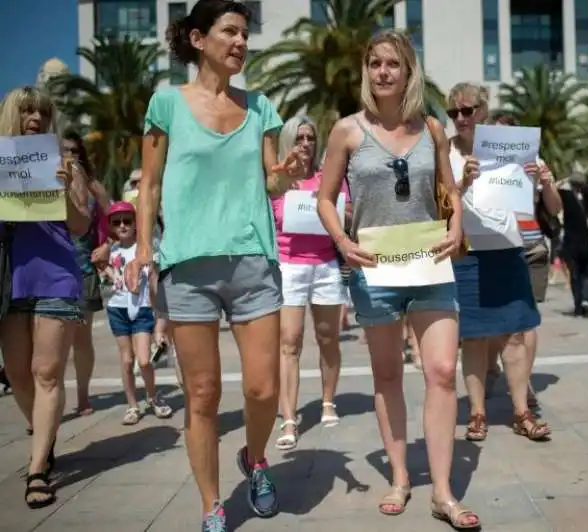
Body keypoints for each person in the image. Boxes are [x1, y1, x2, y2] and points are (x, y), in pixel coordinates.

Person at [125, 2, 304, 530]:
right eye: (230, 32)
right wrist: (142, 249)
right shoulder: (166, 105)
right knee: (202, 394)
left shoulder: (261, 108)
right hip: (187, 264)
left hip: (253, 262)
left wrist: (287, 175)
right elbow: (150, 186)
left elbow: (270, 181)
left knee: (263, 389)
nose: (240, 42)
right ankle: (211, 505)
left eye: (245, 34)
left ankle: (254, 458)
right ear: (199, 39)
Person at [316, 30, 480, 529]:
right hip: (374, 270)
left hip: (430, 263)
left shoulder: (431, 128)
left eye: (392, 64)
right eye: (374, 63)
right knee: (387, 375)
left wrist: (456, 228)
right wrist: (343, 244)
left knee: (442, 372)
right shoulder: (346, 131)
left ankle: (444, 492)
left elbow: (448, 191)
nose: (382, 72)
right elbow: (324, 199)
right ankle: (401, 478)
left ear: (409, 72)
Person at [447, 85, 557, 445]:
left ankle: (521, 411)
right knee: (474, 338)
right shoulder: (443, 154)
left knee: (514, 334)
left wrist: (544, 181)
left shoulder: (512, 148)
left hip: (508, 249)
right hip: (467, 253)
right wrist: (461, 184)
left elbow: (553, 208)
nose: (461, 118)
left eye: (468, 110)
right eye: (454, 113)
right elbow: (437, 209)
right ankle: (477, 413)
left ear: (483, 110)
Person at [0, 86, 92, 509]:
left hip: (55, 274)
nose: (35, 118)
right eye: (27, 111)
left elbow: (79, 226)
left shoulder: (65, 162)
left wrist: (62, 190)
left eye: (42, 112)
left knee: (46, 372)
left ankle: (38, 469)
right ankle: (46, 434)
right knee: (17, 373)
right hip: (10, 280)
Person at [270, 116, 347, 451]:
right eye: (299, 137)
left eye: (310, 137)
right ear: (289, 141)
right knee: (289, 342)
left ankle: (328, 401)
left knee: (328, 338)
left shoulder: (328, 177)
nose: (305, 143)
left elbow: (344, 212)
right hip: (289, 267)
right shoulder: (277, 180)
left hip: (326, 266)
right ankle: (289, 418)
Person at [100, 201, 173, 424]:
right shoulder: (109, 250)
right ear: (111, 226)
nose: (122, 225)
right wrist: (108, 271)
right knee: (125, 361)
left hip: (142, 308)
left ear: (136, 224)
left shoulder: (144, 248)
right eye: (116, 222)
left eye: (127, 221)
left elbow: (154, 281)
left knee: (143, 361)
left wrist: (159, 316)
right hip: (117, 308)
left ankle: (153, 398)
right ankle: (132, 406)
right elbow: (105, 272)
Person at [62, 129, 111, 416]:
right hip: (48, 267)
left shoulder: (93, 186)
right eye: (64, 150)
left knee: (81, 339)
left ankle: (82, 396)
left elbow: (117, 216)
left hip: (83, 268)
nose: (70, 156)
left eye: (75, 151)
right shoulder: (45, 182)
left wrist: (106, 246)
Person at [558, 172, 588, 317]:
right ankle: (583, 302)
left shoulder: (570, 195)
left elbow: (553, 187)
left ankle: (582, 303)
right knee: (584, 274)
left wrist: (565, 179)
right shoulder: (576, 196)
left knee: (579, 275)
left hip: (577, 242)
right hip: (581, 241)